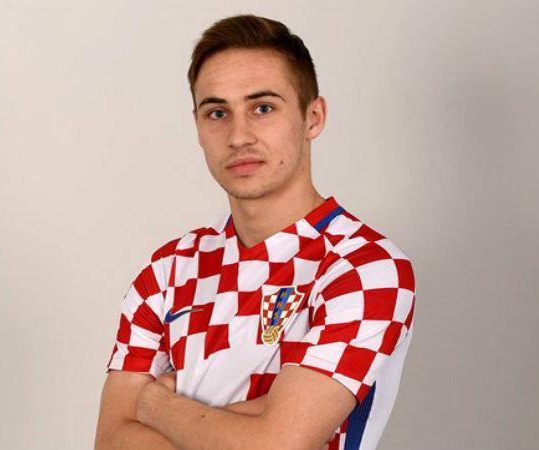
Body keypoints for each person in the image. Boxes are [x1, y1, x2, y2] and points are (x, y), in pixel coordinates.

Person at [94, 13, 416, 450]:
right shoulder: (168, 271)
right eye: (217, 113)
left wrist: (155, 406)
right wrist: (253, 423)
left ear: (313, 117)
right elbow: (112, 441)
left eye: (262, 108)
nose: (238, 136)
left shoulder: (366, 268)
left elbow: (276, 445)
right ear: (197, 126)